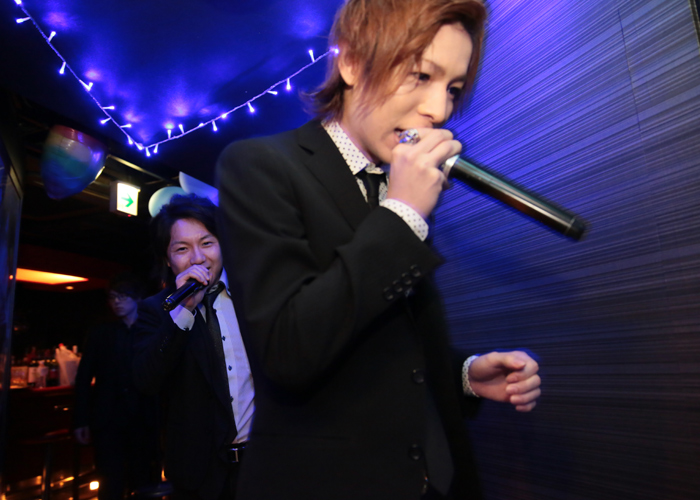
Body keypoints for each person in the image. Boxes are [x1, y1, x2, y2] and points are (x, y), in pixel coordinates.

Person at [215, 0, 541, 499]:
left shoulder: (393, 186)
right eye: (420, 76)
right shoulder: (259, 166)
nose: (439, 110)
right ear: (350, 63)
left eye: (453, 89)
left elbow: (390, 345)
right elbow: (287, 351)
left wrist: (464, 375)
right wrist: (403, 214)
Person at [132, 194, 254, 500]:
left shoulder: (253, 296)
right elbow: (146, 381)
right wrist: (183, 311)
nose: (198, 258)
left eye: (207, 243)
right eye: (182, 249)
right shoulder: (156, 310)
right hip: (199, 477)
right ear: (168, 259)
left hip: (264, 463)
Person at [74, 273, 159, 500]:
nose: (117, 302)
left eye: (123, 297)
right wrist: (81, 420)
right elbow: (84, 377)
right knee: (109, 481)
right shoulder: (101, 333)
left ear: (137, 298)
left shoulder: (152, 330)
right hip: (108, 418)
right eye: (112, 297)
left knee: (144, 480)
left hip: (144, 417)